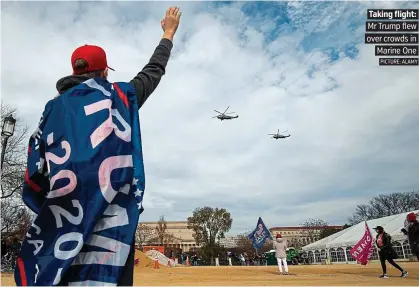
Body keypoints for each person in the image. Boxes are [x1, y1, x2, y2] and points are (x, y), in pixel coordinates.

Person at [14, 6, 181, 287]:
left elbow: (34, 172)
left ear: (74, 71)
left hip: (64, 223)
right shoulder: (120, 97)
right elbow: (152, 72)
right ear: (104, 71)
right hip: (112, 225)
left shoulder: (53, 110)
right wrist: (168, 33)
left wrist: (52, 203)